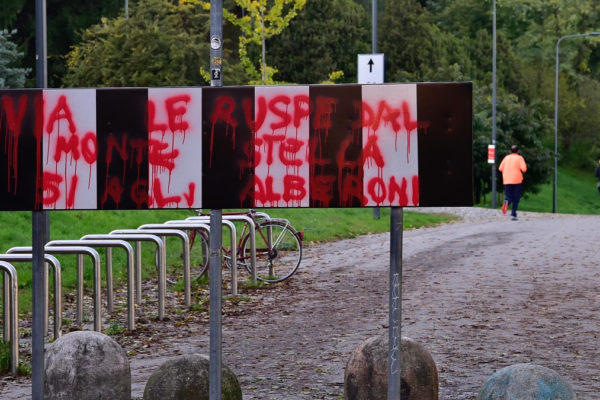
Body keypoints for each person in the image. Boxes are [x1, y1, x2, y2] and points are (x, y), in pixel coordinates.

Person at [499, 145, 527, 220]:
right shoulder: (519, 158)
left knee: (509, 197)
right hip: (517, 180)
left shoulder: (506, 158)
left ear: (510, 151)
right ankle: (513, 214)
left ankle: (506, 202)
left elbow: (500, 168)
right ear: (518, 151)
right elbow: (524, 169)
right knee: (516, 198)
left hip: (507, 180)